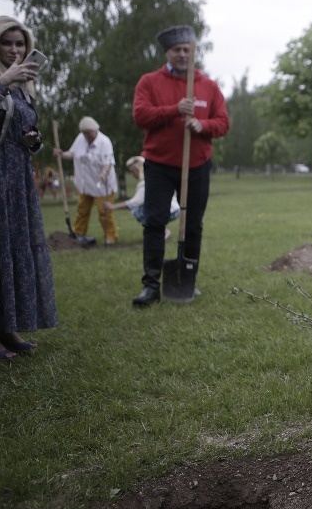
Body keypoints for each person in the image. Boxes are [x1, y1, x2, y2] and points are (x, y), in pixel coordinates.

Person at [131, 24, 230, 306]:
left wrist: (202, 125)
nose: (183, 54)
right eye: (177, 50)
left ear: (193, 52)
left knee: (193, 224)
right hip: (159, 164)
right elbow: (140, 116)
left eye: (187, 49)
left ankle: (188, 278)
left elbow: (223, 123)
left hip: (197, 165)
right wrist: (174, 110)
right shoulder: (150, 82)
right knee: (154, 222)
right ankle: (151, 285)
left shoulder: (208, 86)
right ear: (168, 53)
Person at [0, 15, 57, 359]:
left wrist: (32, 140)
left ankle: (7, 328)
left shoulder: (24, 88)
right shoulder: (7, 81)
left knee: (12, 248)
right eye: (6, 43)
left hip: (17, 178)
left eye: (20, 44)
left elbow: (18, 132)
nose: (14, 50)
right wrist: (3, 81)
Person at [53, 116, 119, 246]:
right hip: (85, 184)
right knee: (82, 210)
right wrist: (61, 154)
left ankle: (110, 236)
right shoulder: (80, 139)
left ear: (95, 130)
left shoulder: (104, 142)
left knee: (104, 212)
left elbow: (108, 162)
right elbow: (72, 153)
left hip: (101, 185)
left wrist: (104, 173)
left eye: (89, 133)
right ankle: (78, 233)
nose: (86, 136)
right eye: (84, 133)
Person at [105, 155, 181, 240]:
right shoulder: (157, 178)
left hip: (170, 211)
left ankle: (161, 231)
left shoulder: (145, 184)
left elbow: (134, 203)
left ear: (138, 169)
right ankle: (159, 230)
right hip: (175, 209)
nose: (132, 174)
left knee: (137, 211)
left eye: (132, 171)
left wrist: (113, 207)